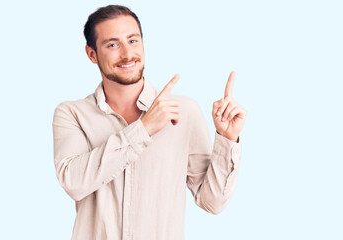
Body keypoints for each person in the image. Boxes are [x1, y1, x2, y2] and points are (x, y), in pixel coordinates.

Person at [52, 4, 247, 240]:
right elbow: (74, 183)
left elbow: (212, 202)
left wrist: (227, 138)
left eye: (133, 41)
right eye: (112, 44)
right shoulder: (72, 114)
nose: (127, 54)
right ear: (92, 54)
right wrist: (143, 129)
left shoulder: (184, 111)